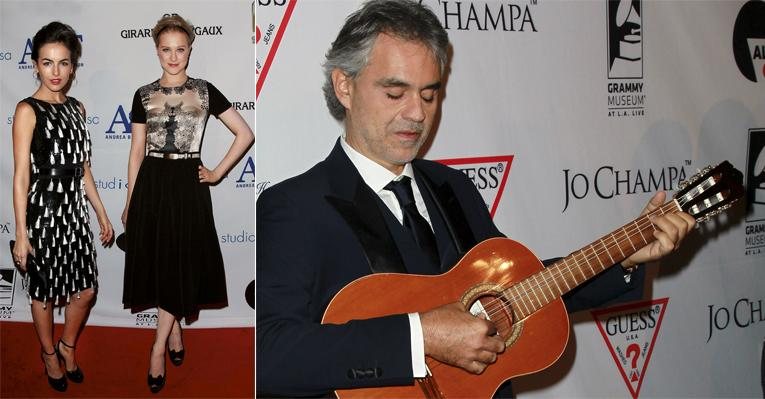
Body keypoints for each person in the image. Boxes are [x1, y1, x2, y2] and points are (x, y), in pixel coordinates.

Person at [256, 0, 695, 397]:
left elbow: (518, 294)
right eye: (395, 93)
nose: (417, 113)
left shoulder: (453, 187)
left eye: (430, 94)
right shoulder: (294, 207)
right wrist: (420, 336)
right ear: (344, 87)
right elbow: (271, 354)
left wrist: (626, 256)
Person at [121, 14, 254, 394]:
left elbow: (244, 133)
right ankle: (174, 332)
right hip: (151, 183)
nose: (174, 56)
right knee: (162, 259)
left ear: (190, 49)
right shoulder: (143, 94)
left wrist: (217, 172)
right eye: (166, 49)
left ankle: (158, 347)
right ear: (157, 51)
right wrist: (131, 201)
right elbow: (134, 154)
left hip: (187, 184)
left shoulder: (205, 90)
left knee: (180, 258)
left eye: (180, 49)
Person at [11, 21, 114, 393]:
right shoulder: (27, 110)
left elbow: (83, 168)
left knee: (85, 290)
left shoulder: (77, 109)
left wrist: (100, 212)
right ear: (35, 64)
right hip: (43, 212)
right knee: (44, 293)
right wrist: (21, 235)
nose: (55, 72)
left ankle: (67, 345)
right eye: (47, 62)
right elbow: (21, 176)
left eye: (63, 63)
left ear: (73, 66)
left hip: (73, 212)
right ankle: (48, 353)